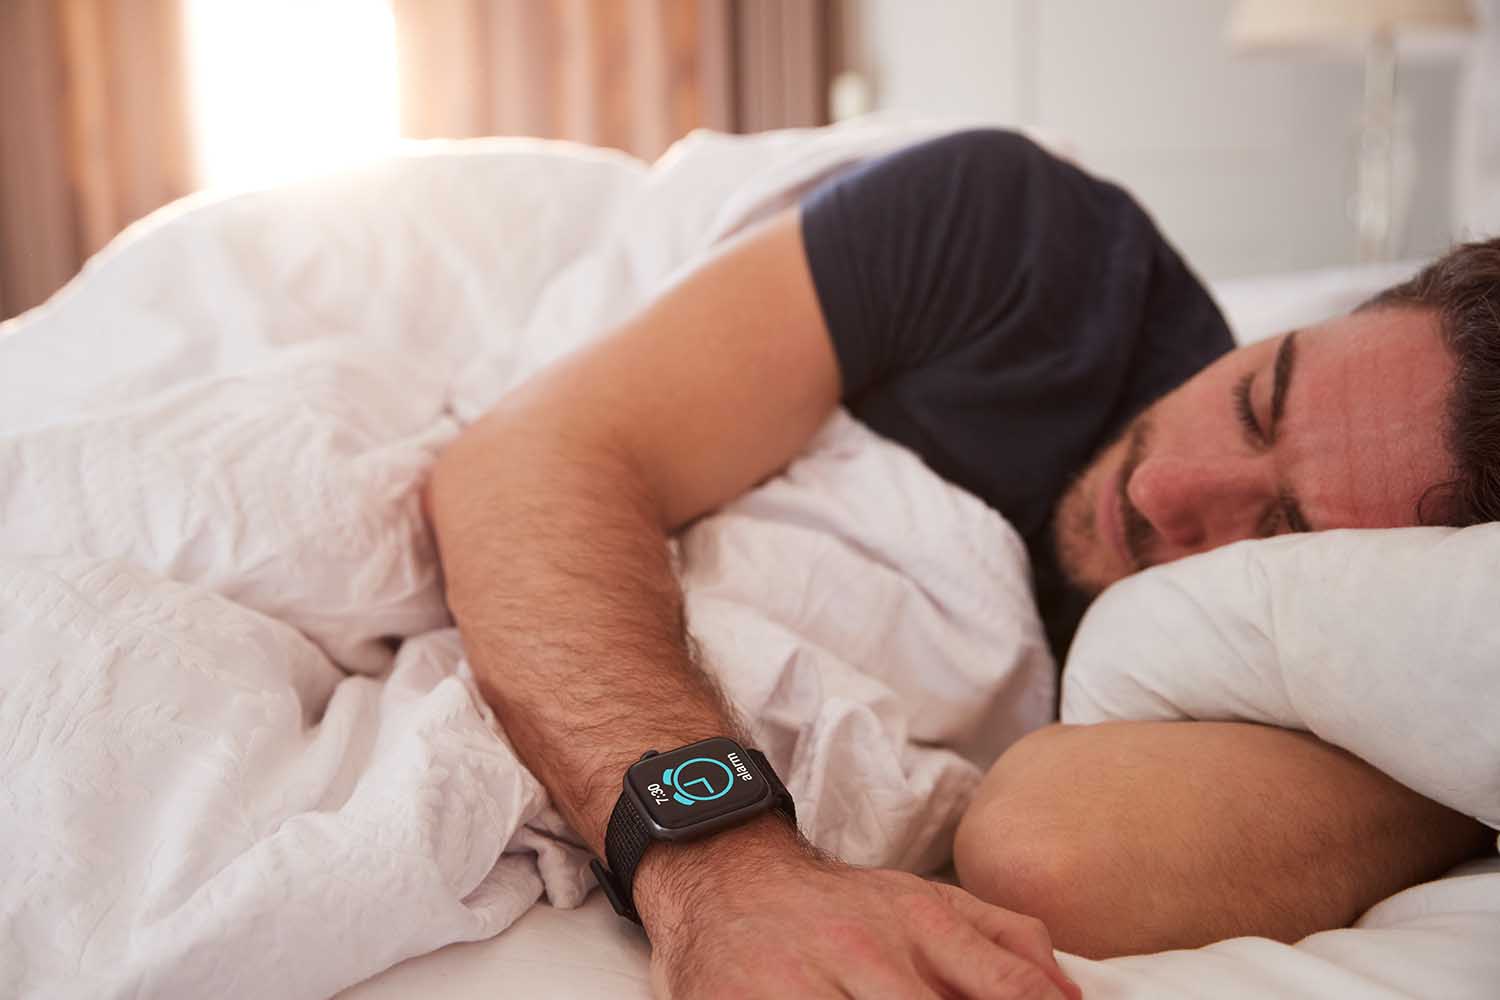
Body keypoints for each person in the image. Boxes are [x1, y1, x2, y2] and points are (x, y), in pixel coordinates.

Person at [422, 129, 1496, 999]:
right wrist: (720, 857)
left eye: (1277, 533)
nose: (1168, 492)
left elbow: (1055, 852)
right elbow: (526, 459)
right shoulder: (1030, 242)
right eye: (1258, 398)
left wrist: (1455, 761)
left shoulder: (1313, 657)